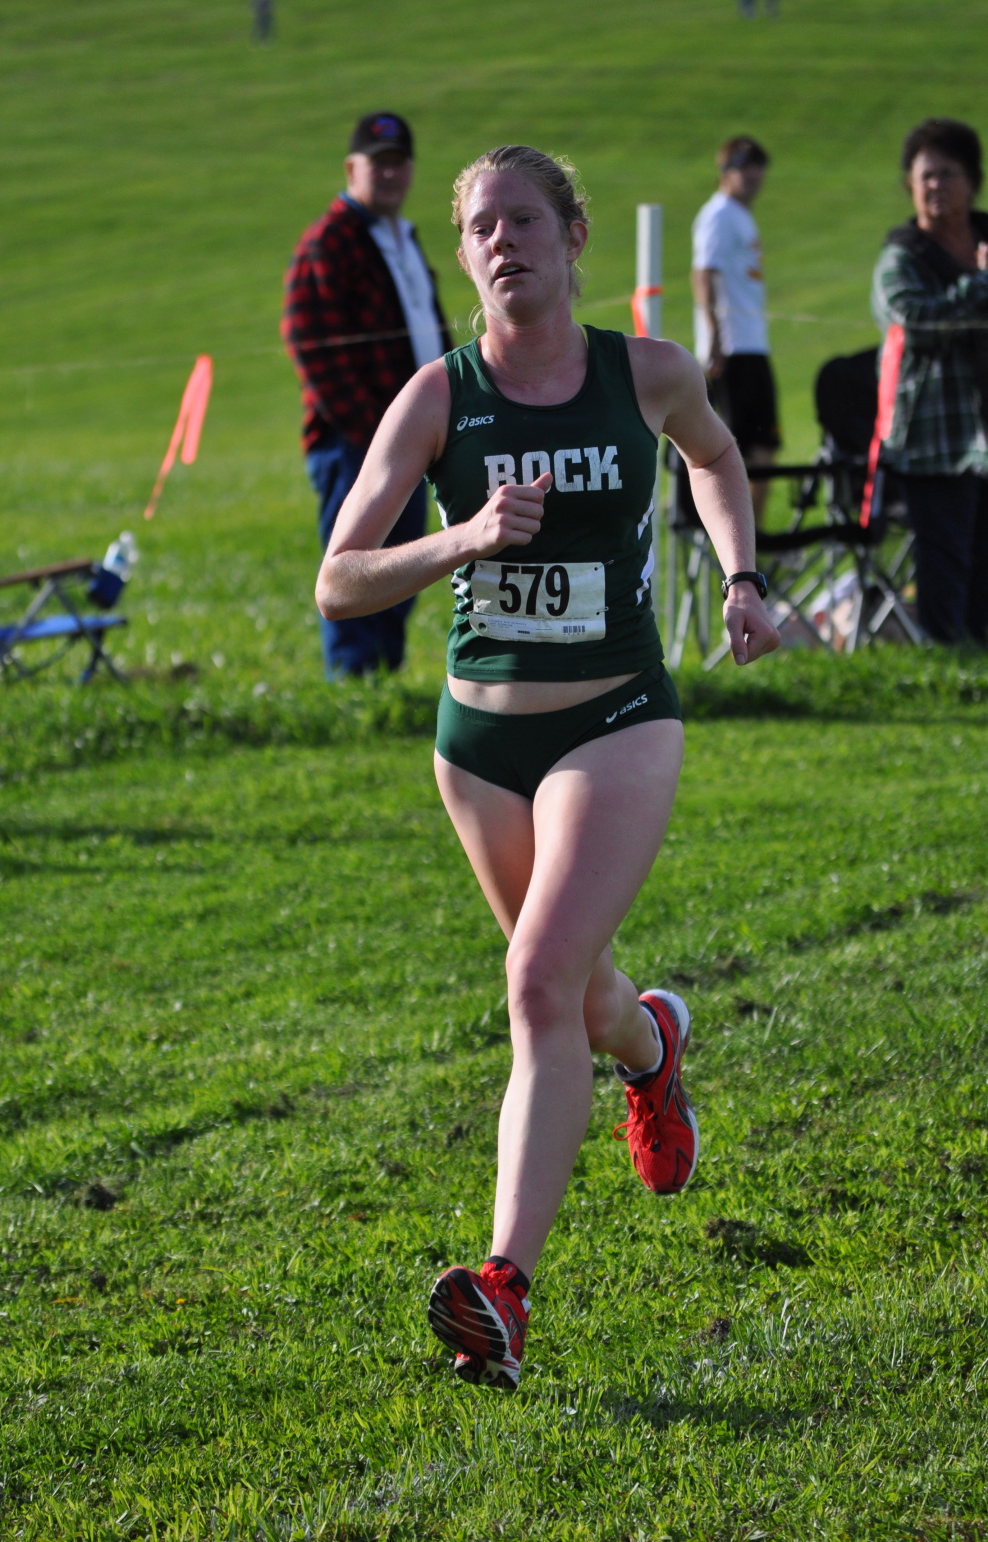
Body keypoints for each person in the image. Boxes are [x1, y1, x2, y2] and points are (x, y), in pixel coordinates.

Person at [315, 145, 779, 1390]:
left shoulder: (647, 374)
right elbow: (337, 575)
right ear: (463, 254)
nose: (503, 239)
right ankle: (651, 1051)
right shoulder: (436, 397)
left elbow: (718, 460)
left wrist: (739, 575)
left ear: (573, 236)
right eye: (480, 226)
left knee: (533, 981)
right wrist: (459, 539)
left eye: (526, 218)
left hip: (616, 717)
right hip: (478, 747)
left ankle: (503, 1289)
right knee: (575, 997)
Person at [282, 112, 451, 676]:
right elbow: (309, 341)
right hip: (356, 443)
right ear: (351, 169)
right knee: (356, 569)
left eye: (399, 162)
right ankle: (355, 685)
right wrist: (371, 431)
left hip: (407, 437)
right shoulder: (330, 241)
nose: (390, 174)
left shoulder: (400, 237)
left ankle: (382, 678)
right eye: (378, 164)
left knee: (400, 564)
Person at [871, 117, 988, 646]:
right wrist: (981, 284)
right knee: (945, 557)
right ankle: (948, 663)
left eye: (947, 174)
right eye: (925, 176)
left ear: (972, 180)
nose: (935, 186)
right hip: (935, 438)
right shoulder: (902, 256)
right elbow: (915, 321)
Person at [691, 136, 780, 523]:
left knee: (764, 445)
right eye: (743, 166)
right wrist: (713, 336)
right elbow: (702, 272)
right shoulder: (720, 214)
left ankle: (753, 535)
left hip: (752, 344)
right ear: (725, 171)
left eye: (757, 166)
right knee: (743, 448)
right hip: (734, 347)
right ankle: (742, 539)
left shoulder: (740, 215)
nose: (753, 175)